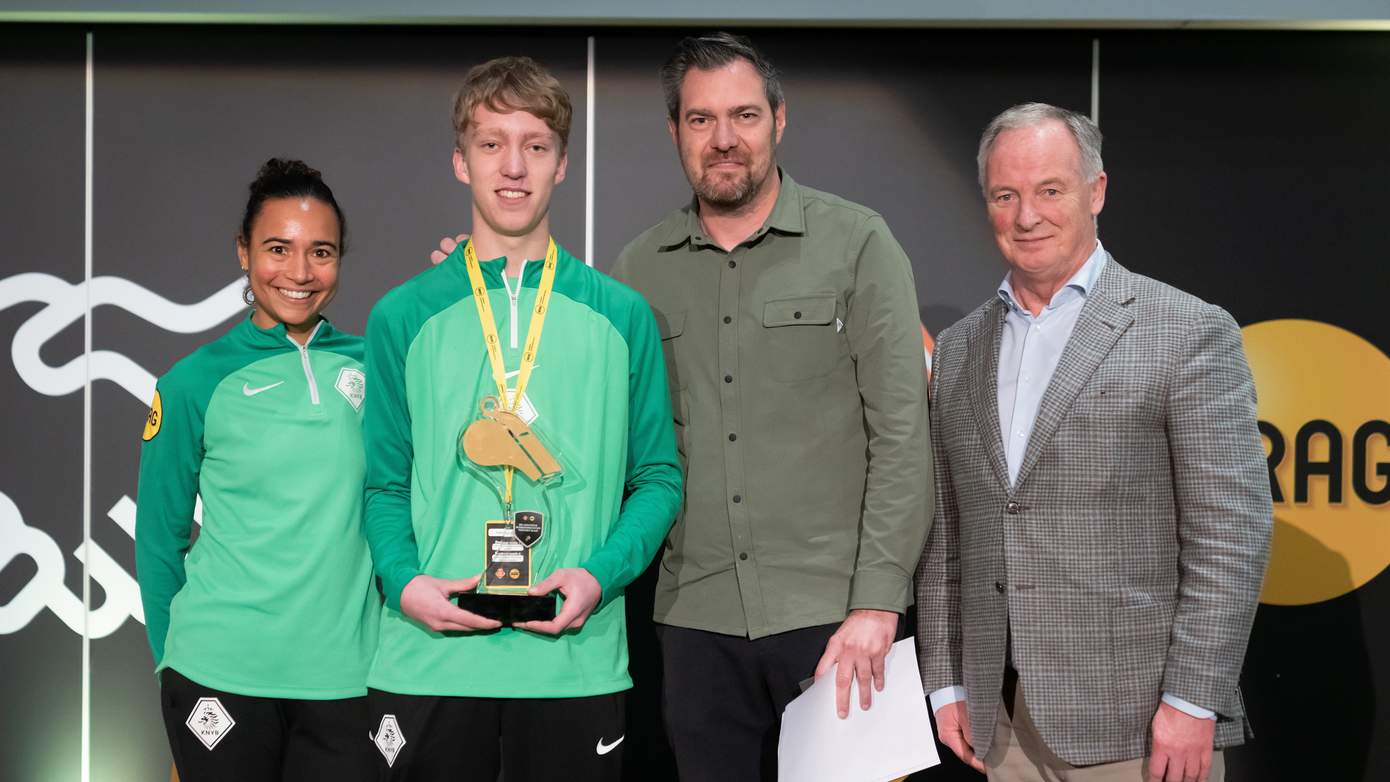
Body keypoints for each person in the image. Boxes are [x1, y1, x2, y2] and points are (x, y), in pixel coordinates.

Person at [915, 102, 1272, 782]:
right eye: (1005, 195)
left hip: (1141, 729)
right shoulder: (959, 349)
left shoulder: (1186, 331)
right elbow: (947, 536)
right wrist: (946, 680)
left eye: (1050, 190)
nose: (1027, 216)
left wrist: (1194, 699)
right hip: (1001, 725)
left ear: (1096, 191)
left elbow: (1231, 532)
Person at [609, 33, 931, 780]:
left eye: (745, 115)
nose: (724, 140)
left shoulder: (858, 244)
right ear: (674, 131)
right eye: (700, 120)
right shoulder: (636, 270)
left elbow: (902, 438)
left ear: (779, 120)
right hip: (693, 623)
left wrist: (878, 605)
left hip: (837, 622)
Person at [362, 56, 682, 781]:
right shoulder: (401, 316)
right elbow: (383, 484)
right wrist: (404, 581)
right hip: (427, 661)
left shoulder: (621, 315)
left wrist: (600, 577)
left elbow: (658, 478)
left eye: (535, 145)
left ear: (562, 164)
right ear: (459, 159)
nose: (513, 167)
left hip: (573, 666)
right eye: (491, 143)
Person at [135, 158, 377, 781]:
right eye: (278, 248)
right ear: (243, 252)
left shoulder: (378, 367)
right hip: (220, 676)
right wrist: (173, 666)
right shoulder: (192, 382)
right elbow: (159, 539)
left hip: (349, 678)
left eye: (321, 251)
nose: (299, 272)